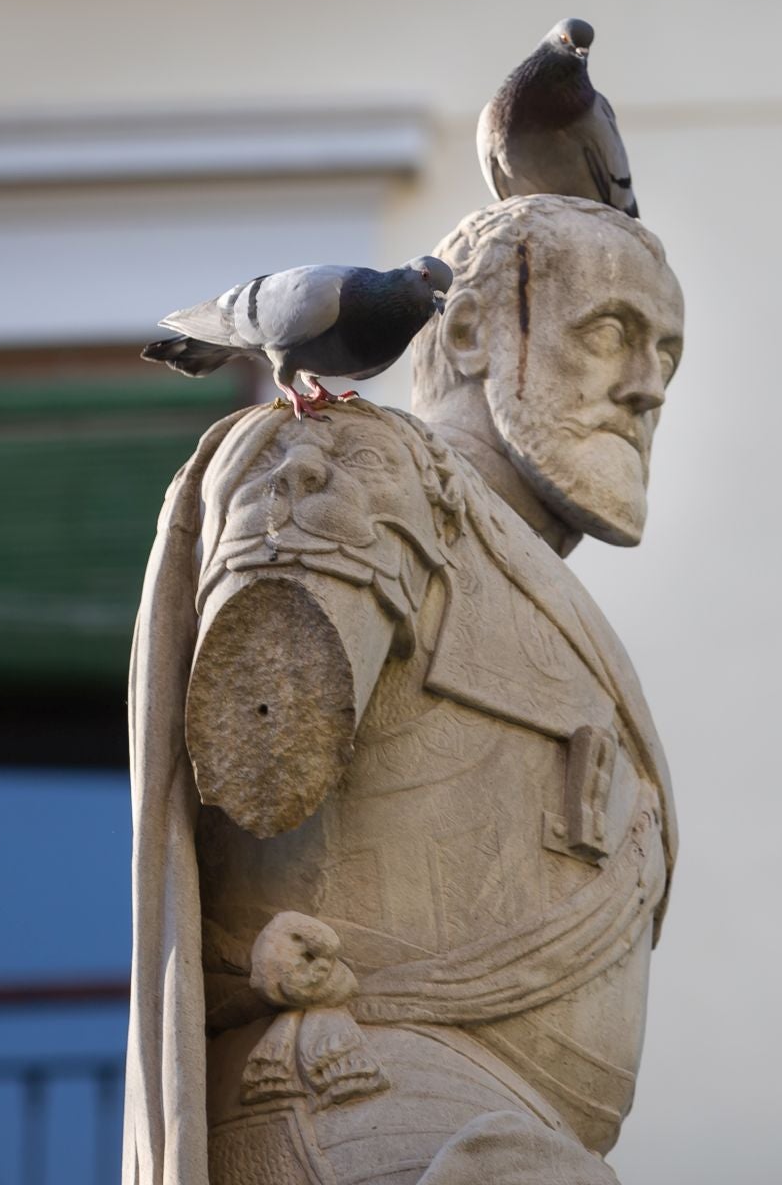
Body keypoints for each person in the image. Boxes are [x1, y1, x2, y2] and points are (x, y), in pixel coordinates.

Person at [125, 195, 685, 1185]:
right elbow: (258, 762)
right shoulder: (354, 460)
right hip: (366, 1119)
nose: (645, 387)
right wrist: (330, 510)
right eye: (612, 332)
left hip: (488, 1136)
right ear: (467, 330)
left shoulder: (506, 559)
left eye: (666, 356)